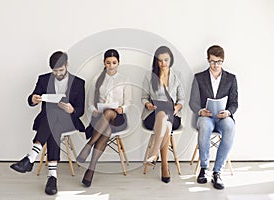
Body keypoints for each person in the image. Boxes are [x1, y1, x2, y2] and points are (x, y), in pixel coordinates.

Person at [10, 51, 85, 195]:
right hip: (49, 121)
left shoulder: (78, 82)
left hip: (69, 120)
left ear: (67, 65)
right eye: (55, 71)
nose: (58, 74)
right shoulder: (43, 79)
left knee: (54, 116)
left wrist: (72, 109)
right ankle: (52, 177)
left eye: (61, 70)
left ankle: (31, 157)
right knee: (53, 122)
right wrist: (33, 99)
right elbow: (32, 99)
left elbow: (80, 110)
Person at [76, 49, 132, 187]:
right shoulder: (96, 79)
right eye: (108, 63)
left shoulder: (124, 79)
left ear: (118, 63)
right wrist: (93, 110)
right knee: (106, 130)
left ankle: (89, 145)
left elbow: (129, 102)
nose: (111, 65)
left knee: (109, 112)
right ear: (104, 63)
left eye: (114, 63)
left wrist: (122, 108)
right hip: (100, 119)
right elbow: (89, 102)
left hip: (118, 118)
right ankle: (91, 169)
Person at [189, 45, 238, 189]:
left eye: (219, 62)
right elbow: (193, 101)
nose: (215, 65)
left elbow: (234, 103)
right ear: (208, 60)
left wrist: (228, 112)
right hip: (207, 116)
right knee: (204, 125)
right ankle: (204, 168)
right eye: (212, 61)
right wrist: (200, 111)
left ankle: (217, 172)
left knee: (230, 126)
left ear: (223, 61)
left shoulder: (231, 78)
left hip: (223, 117)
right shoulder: (199, 77)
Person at [141, 46, 185, 183]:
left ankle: (154, 154)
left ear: (170, 60)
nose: (163, 63)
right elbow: (144, 97)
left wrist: (177, 107)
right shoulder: (149, 75)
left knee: (165, 117)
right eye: (160, 60)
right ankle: (164, 166)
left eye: (166, 60)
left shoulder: (177, 76)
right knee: (162, 117)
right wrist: (148, 104)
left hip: (173, 114)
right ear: (156, 61)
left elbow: (182, 99)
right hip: (153, 115)